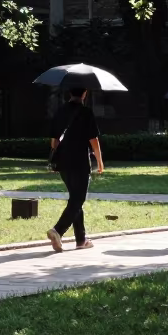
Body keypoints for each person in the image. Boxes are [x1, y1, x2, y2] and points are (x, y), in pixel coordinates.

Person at [47, 87, 104, 252]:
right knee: (78, 200)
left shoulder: (60, 111)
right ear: (84, 94)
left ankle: (81, 239)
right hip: (80, 162)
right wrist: (99, 161)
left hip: (63, 163)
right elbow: (93, 140)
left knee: (75, 199)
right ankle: (57, 230)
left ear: (69, 93)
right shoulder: (86, 112)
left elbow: (54, 142)